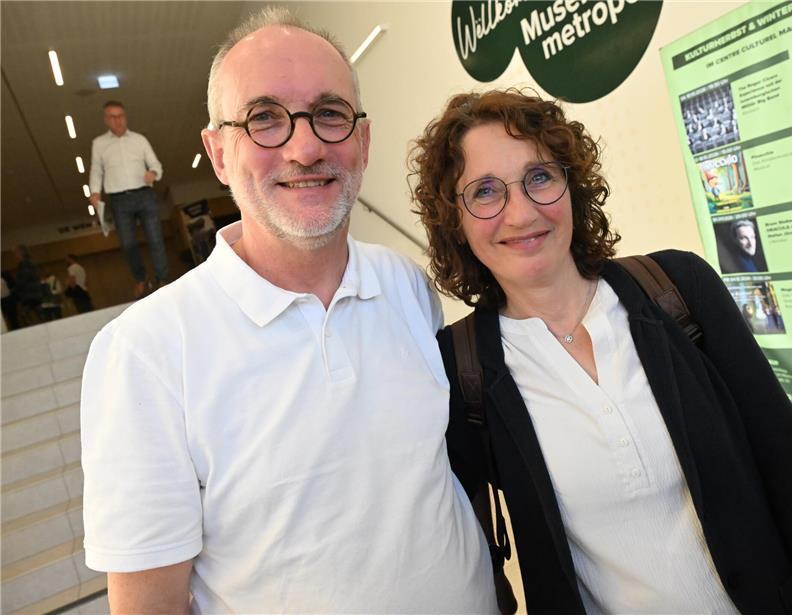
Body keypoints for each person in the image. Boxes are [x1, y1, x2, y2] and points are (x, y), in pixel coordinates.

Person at [81, 8, 495, 614]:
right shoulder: (144, 352)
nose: (305, 148)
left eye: (329, 114)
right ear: (218, 152)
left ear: (363, 139)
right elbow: (150, 604)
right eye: (264, 118)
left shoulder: (405, 285)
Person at [410, 89, 792, 614]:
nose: (520, 213)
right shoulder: (460, 365)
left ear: (571, 186)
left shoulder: (678, 288)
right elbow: (448, 538)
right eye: (485, 192)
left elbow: (790, 464)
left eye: (539, 177)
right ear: (456, 222)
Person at [88, 100, 168, 298]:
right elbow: (96, 169)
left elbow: (156, 164)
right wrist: (94, 191)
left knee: (156, 239)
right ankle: (140, 278)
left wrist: (153, 172)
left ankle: (162, 279)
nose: (118, 121)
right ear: (106, 120)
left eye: (121, 116)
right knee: (127, 244)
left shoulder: (139, 139)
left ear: (126, 116)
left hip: (144, 195)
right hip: (119, 200)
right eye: (113, 117)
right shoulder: (99, 144)